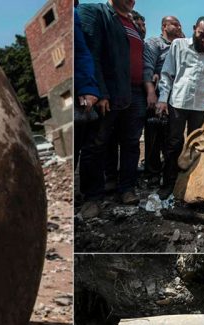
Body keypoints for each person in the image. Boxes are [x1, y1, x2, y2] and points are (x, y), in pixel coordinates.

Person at [77, 0, 146, 218]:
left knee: (131, 143)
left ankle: (126, 188)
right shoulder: (95, 12)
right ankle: (92, 197)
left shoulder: (131, 23)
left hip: (134, 92)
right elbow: (90, 53)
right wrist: (101, 92)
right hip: (110, 92)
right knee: (96, 144)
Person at [156, 16, 204, 197]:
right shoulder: (178, 46)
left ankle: (189, 184)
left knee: (196, 146)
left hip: (199, 107)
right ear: (194, 29)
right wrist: (163, 99)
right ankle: (168, 183)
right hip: (178, 103)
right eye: (201, 34)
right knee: (174, 143)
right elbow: (167, 74)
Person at [142, 15, 183, 185]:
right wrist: (151, 90)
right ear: (164, 26)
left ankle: (170, 172)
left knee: (172, 137)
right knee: (153, 136)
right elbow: (148, 67)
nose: (179, 26)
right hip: (158, 94)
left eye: (179, 24)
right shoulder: (154, 43)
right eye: (174, 23)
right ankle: (152, 173)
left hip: (176, 97)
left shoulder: (181, 45)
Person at [74, 2, 101, 169]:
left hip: (82, 90)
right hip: (79, 89)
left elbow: (82, 51)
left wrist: (87, 87)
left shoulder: (76, 13)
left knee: (85, 145)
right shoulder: (77, 13)